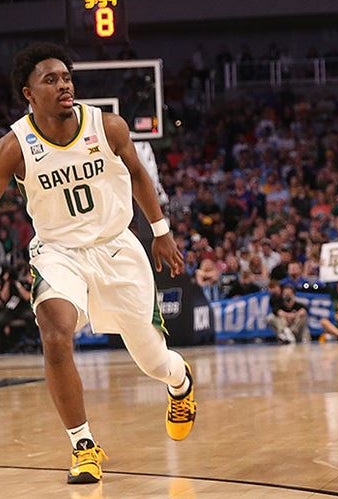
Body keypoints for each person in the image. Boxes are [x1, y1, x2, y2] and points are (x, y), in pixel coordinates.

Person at [0, 43, 195, 484]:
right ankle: (83, 445)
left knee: (153, 361)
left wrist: (161, 232)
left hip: (116, 247)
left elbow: (140, 175)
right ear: (29, 94)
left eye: (66, 77)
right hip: (58, 252)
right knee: (55, 336)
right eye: (50, 80)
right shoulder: (15, 146)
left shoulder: (108, 126)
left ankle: (179, 382)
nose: (64, 85)